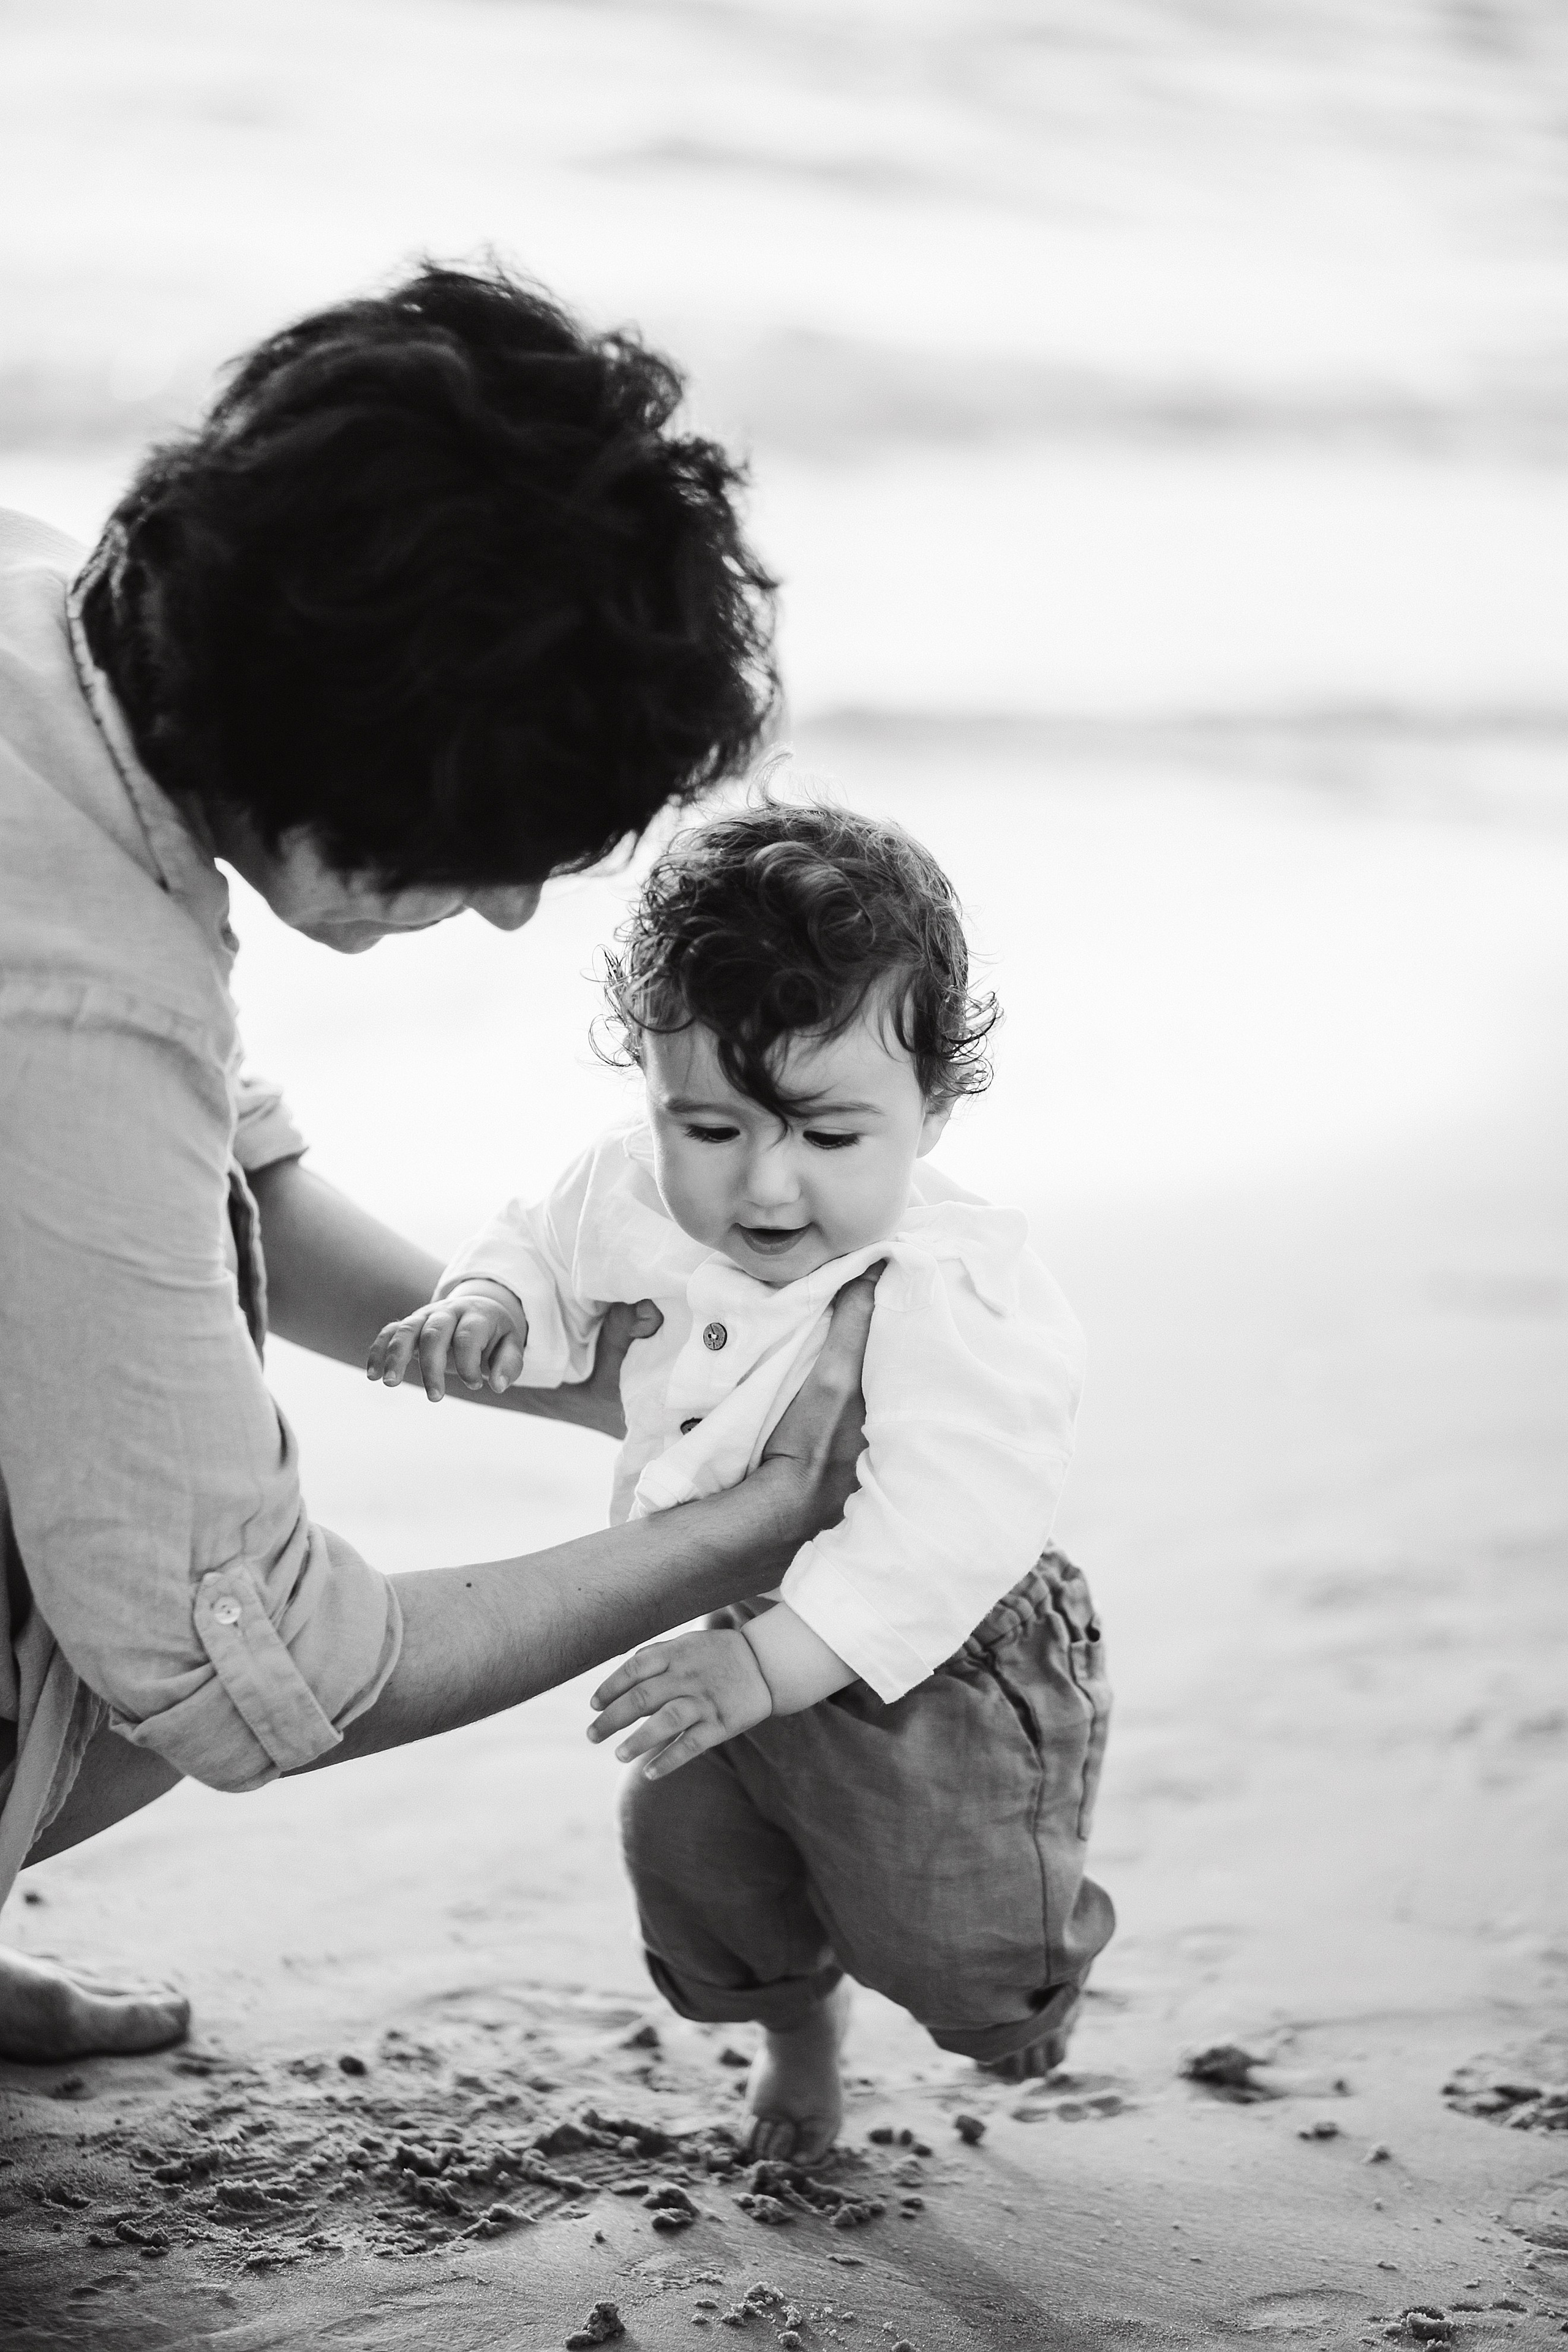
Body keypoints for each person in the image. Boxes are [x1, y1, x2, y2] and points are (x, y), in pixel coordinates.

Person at [0, 263, 880, 2064]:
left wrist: (664, 1394)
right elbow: (261, 1669)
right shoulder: (70, 998)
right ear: (343, 747)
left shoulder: (53, 632)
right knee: (157, 1623)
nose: (501, 909)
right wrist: (747, 1522)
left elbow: (227, 1191)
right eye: (488, 847)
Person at [371, 799, 1114, 2162]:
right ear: (651, 1083)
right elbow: (542, 1242)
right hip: (717, 1623)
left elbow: (954, 1521)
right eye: (708, 1127)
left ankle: (1024, 1984)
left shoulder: (955, 1286)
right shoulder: (631, 1182)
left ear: (931, 1108)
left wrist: (780, 1665)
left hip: (931, 1653)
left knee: (959, 1939)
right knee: (700, 1868)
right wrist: (488, 1301)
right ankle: (797, 2034)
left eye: (829, 1139)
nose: (765, 1186)